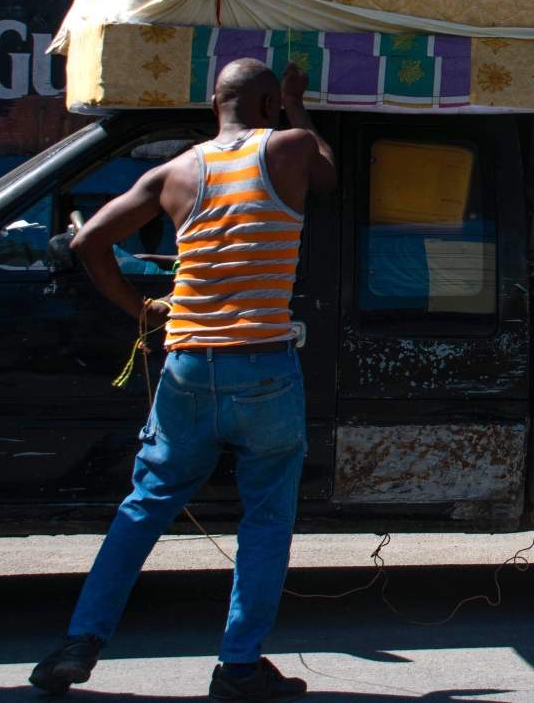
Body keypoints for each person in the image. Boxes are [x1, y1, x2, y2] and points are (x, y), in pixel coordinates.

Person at [31, 60, 335, 700]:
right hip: (264, 367)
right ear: (262, 103)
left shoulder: (176, 172)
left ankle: (80, 641)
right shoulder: (290, 146)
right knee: (264, 520)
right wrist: (297, 104)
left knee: (143, 507)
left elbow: (89, 242)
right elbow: (329, 173)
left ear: (211, 104)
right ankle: (239, 668)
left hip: (188, 365)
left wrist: (140, 308)